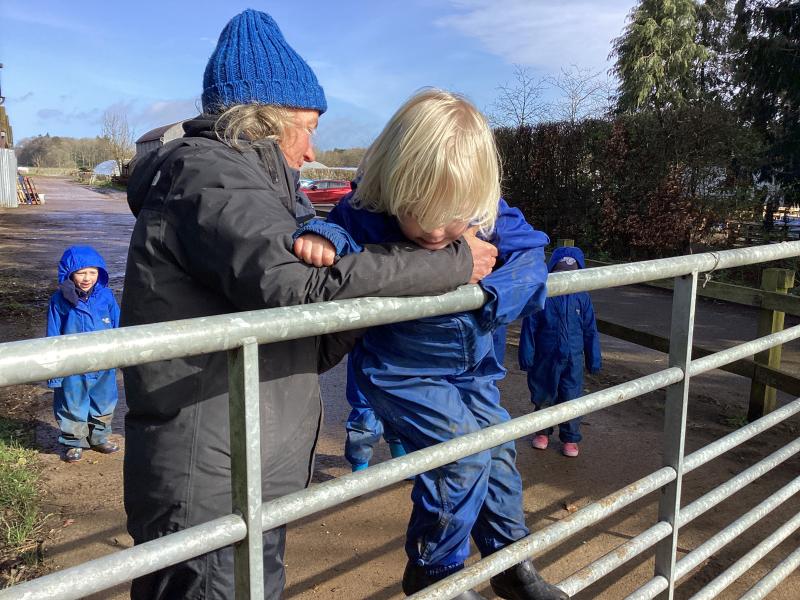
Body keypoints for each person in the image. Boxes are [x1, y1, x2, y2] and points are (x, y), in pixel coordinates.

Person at [119, 10, 497, 600]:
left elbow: (307, 338)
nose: (313, 150)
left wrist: (364, 308)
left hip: (248, 460)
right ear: (269, 119)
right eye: (310, 127)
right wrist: (450, 264)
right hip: (212, 470)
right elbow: (295, 284)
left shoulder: (266, 190)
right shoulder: (208, 175)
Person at [292, 89, 568, 600]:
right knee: (461, 459)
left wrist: (490, 299)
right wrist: (321, 238)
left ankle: (511, 563)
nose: (438, 231)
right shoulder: (365, 211)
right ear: (394, 186)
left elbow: (532, 255)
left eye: (455, 216)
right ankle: (434, 572)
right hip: (402, 372)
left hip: (473, 371)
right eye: (420, 212)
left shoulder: (486, 212)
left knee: (499, 454)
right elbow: (337, 236)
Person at [518, 246, 601, 457]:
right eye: (560, 272)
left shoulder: (582, 298)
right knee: (543, 392)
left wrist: (593, 358)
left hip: (573, 357)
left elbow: (590, 329)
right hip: (546, 355)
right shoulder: (543, 295)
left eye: (571, 274)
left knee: (571, 395)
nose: (566, 278)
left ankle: (570, 437)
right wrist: (526, 355)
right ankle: (542, 431)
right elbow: (530, 326)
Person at [46, 245, 120, 463]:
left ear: (100, 273)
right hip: (72, 365)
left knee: (104, 401)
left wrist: (122, 354)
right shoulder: (59, 301)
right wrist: (55, 372)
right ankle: (74, 442)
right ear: (69, 274)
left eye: (92, 272)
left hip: (103, 361)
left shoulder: (106, 297)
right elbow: (52, 336)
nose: (87, 278)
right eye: (81, 273)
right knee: (72, 403)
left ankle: (100, 437)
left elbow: (118, 327)